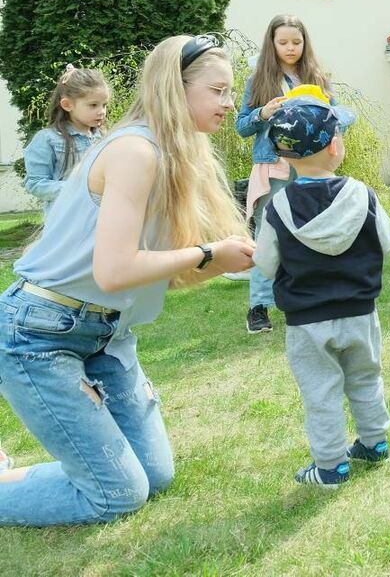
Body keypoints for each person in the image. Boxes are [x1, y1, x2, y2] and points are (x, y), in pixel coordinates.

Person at [0, 34, 254, 526]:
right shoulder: (136, 152)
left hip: (105, 332)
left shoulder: (178, 156)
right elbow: (114, 271)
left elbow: (154, 274)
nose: (229, 104)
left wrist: (223, 262)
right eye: (218, 91)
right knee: (117, 495)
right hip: (39, 333)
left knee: (153, 477)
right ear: (175, 88)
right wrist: (206, 252)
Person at [253, 87, 390, 488]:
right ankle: (375, 442)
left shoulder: (278, 208)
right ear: (335, 145)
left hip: (307, 321)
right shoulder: (361, 195)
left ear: (282, 155)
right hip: (360, 313)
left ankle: (331, 467)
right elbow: (387, 240)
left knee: (321, 393)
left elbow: (264, 263)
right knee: (366, 378)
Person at [236, 15, 331, 334]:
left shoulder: (315, 77)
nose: (290, 48)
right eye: (283, 42)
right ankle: (258, 307)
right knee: (269, 236)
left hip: (309, 167)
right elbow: (241, 126)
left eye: (296, 42)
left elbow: (343, 116)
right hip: (273, 167)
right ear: (271, 44)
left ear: (305, 44)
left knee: (308, 232)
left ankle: (306, 299)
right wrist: (263, 113)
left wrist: (323, 114)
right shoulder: (259, 79)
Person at [23, 65, 109, 213]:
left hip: (100, 220)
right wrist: (78, 189)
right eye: (93, 105)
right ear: (67, 105)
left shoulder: (104, 137)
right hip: (67, 222)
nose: (101, 111)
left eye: (104, 105)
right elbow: (35, 183)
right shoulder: (48, 139)